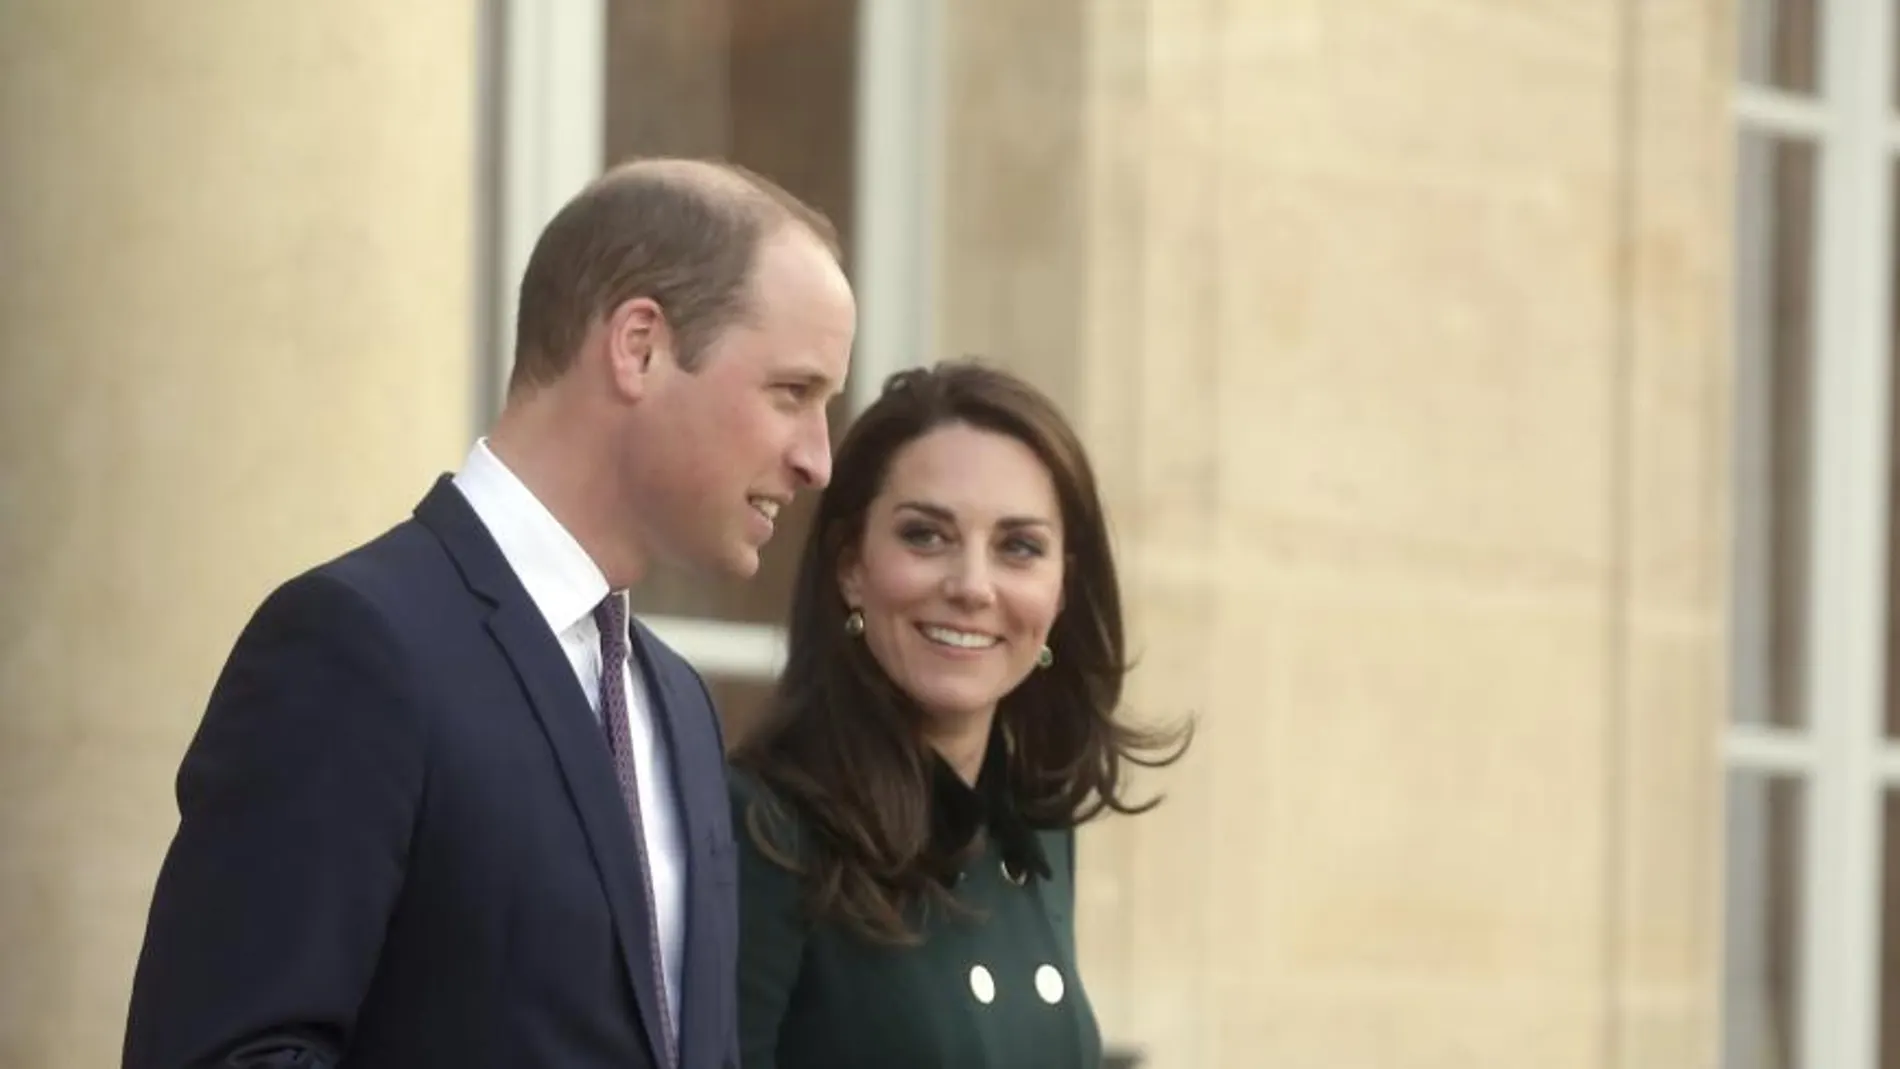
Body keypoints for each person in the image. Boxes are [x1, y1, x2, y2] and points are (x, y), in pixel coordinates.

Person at [121, 157, 856, 1069]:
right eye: (793, 393)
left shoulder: (680, 704)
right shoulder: (353, 648)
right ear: (638, 345)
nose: (818, 459)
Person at [727, 361, 1192, 1069]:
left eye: (1019, 548)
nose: (972, 587)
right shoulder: (762, 831)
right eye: (926, 536)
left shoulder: (1035, 826)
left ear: (1062, 588)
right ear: (852, 565)